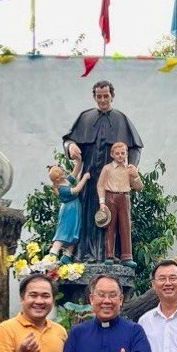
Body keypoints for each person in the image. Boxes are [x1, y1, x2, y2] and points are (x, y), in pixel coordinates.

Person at [63, 79, 144, 262]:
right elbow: (68, 140)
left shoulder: (121, 119)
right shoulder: (85, 117)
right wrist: (70, 147)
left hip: (114, 181)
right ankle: (86, 255)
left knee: (114, 220)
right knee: (87, 218)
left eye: (106, 96)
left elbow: (135, 147)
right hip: (89, 179)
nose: (102, 100)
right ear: (94, 97)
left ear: (112, 96)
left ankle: (111, 255)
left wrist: (132, 166)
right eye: (99, 96)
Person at [96, 141, 144, 266]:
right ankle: (109, 255)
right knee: (110, 226)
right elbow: (100, 185)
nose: (120, 156)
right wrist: (102, 202)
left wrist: (135, 176)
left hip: (124, 198)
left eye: (123, 153)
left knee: (125, 226)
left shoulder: (129, 169)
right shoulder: (107, 168)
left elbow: (139, 187)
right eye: (117, 153)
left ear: (127, 154)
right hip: (110, 197)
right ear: (112, 154)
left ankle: (127, 256)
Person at [48, 161, 90, 262]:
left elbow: (75, 171)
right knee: (64, 231)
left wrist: (78, 160)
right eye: (62, 172)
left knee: (74, 232)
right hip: (68, 211)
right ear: (58, 178)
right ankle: (52, 255)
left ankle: (67, 256)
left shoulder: (66, 181)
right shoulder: (62, 189)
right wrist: (84, 178)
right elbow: (76, 190)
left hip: (74, 210)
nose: (64, 171)